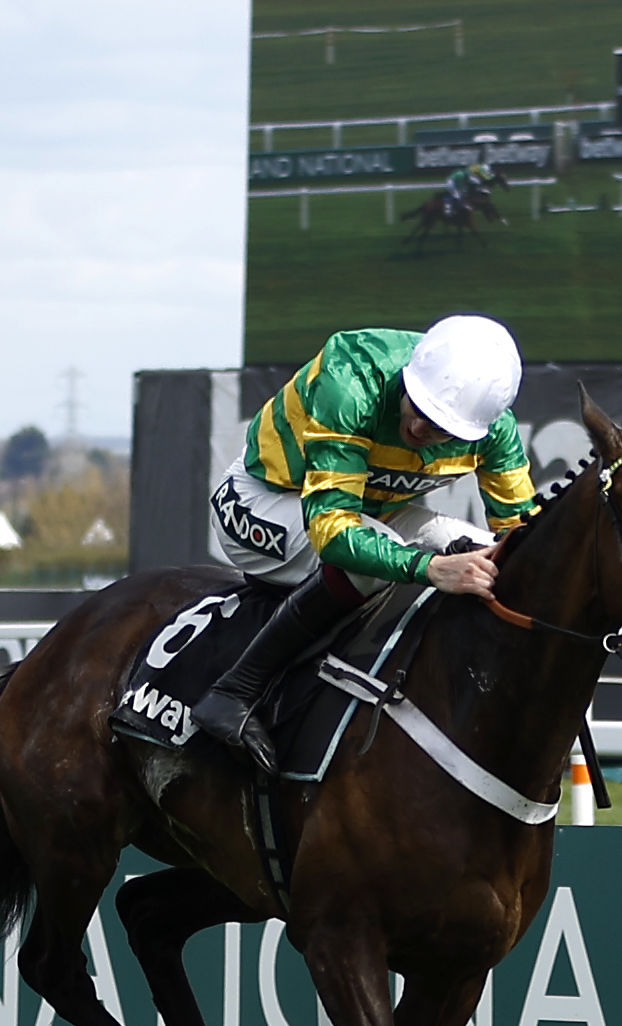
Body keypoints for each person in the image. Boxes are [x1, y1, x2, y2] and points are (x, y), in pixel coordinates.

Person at [186, 313, 537, 774]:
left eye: (442, 429)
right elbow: (332, 530)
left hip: (370, 510)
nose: (419, 431)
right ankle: (235, 691)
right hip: (264, 501)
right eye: (420, 409)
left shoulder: (496, 428)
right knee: (378, 557)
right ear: (409, 378)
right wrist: (429, 569)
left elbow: (522, 537)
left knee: (479, 549)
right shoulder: (351, 377)